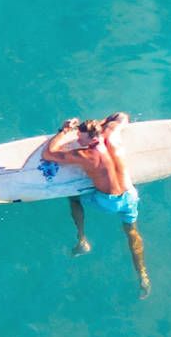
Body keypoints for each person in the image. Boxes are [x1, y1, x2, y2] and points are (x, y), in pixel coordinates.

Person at [43, 112, 150, 298]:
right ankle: (143, 276)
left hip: (107, 202)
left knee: (73, 197)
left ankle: (82, 239)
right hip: (130, 196)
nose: (77, 139)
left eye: (80, 137)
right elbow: (121, 115)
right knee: (132, 232)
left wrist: (64, 131)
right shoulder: (112, 134)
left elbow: (49, 153)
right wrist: (100, 124)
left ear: (89, 138)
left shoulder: (85, 155)